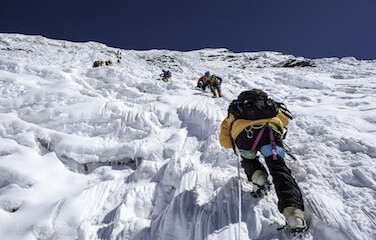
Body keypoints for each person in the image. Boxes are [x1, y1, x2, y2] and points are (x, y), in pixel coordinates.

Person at [219, 89, 306, 232]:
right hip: (270, 134)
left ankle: (258, 177)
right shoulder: (269, 105)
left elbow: (226, 142)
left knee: (249, 160)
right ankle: (293, 213)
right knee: (279, 168)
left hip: (244, 137)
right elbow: (285, 120)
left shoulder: (236, 109)